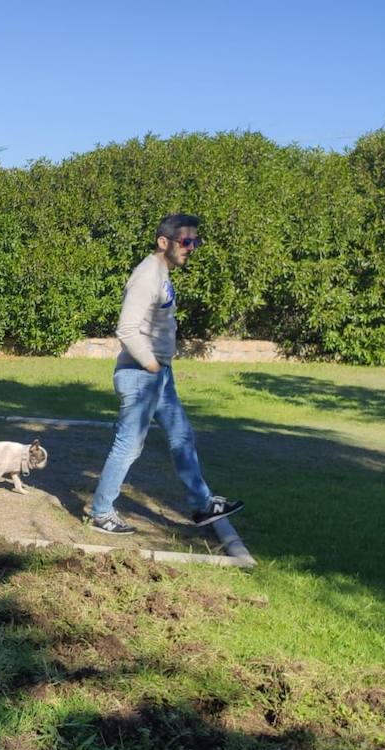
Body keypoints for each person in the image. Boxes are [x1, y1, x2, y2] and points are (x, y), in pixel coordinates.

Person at [88, 213, 244, 535]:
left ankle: (202, 505)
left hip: (158, 376)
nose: (192, 247)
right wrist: (152, 365)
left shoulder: (161, 273)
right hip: (141, 374)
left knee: (182, 436)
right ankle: (101, 512)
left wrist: (161, 370)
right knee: (129, 445)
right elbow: (127, 330)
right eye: (186, 241)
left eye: (195, 242)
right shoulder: (147, 276)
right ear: (164, 242)